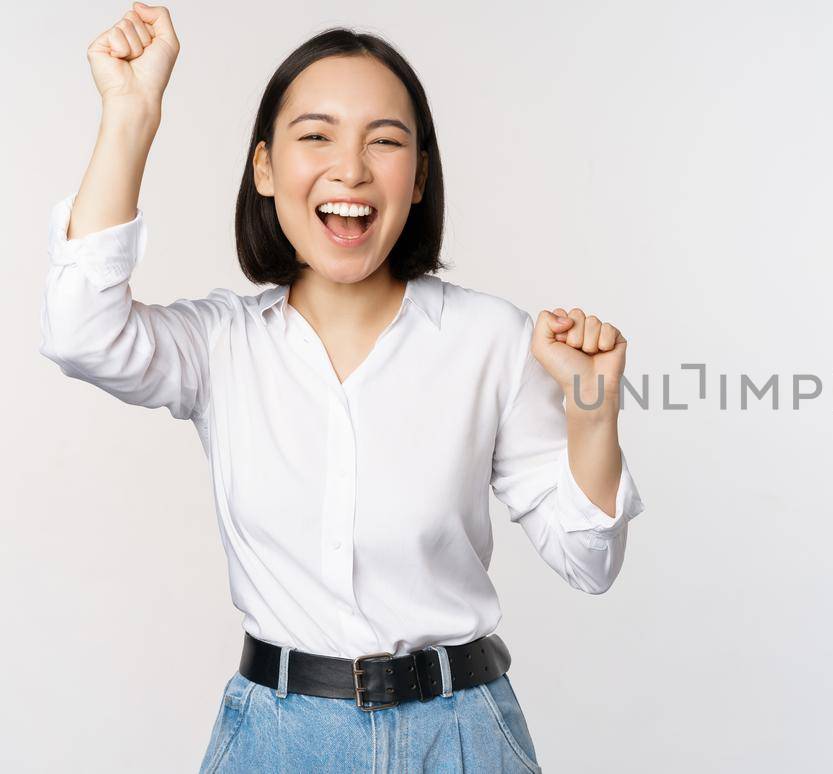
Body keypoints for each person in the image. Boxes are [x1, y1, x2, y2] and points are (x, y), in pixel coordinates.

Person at [39, 4, 646, 771]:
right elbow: (79, 332)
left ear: (419, 175)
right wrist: (132, 113)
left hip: (459, 738)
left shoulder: (492, 339)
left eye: (384, 141)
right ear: (264, 167)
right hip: (276, 739)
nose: (351, 170)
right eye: (316, 135)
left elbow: (589, 564)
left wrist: (593, 409)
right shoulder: (221, 345)